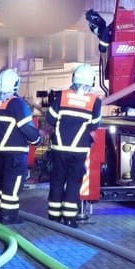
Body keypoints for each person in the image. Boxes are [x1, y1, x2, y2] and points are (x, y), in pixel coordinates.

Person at [46, 63, 102, 228]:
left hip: (59, 149)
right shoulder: (94, 102)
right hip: (79, 151)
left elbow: (50, 120)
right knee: (74, 182)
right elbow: (94, 126)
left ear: (74, 79)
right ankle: (69, 219)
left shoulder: (61, 97)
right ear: (91, 81)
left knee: (56, 180)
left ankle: (53, 217)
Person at [0, 68, 41, 224]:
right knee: (12, 187)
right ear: (15, 84)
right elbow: (27, 128)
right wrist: (37, 140)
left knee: (2, 184)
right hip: (15, 154)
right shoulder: (16, 104)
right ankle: (9, 216)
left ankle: (0, 211)